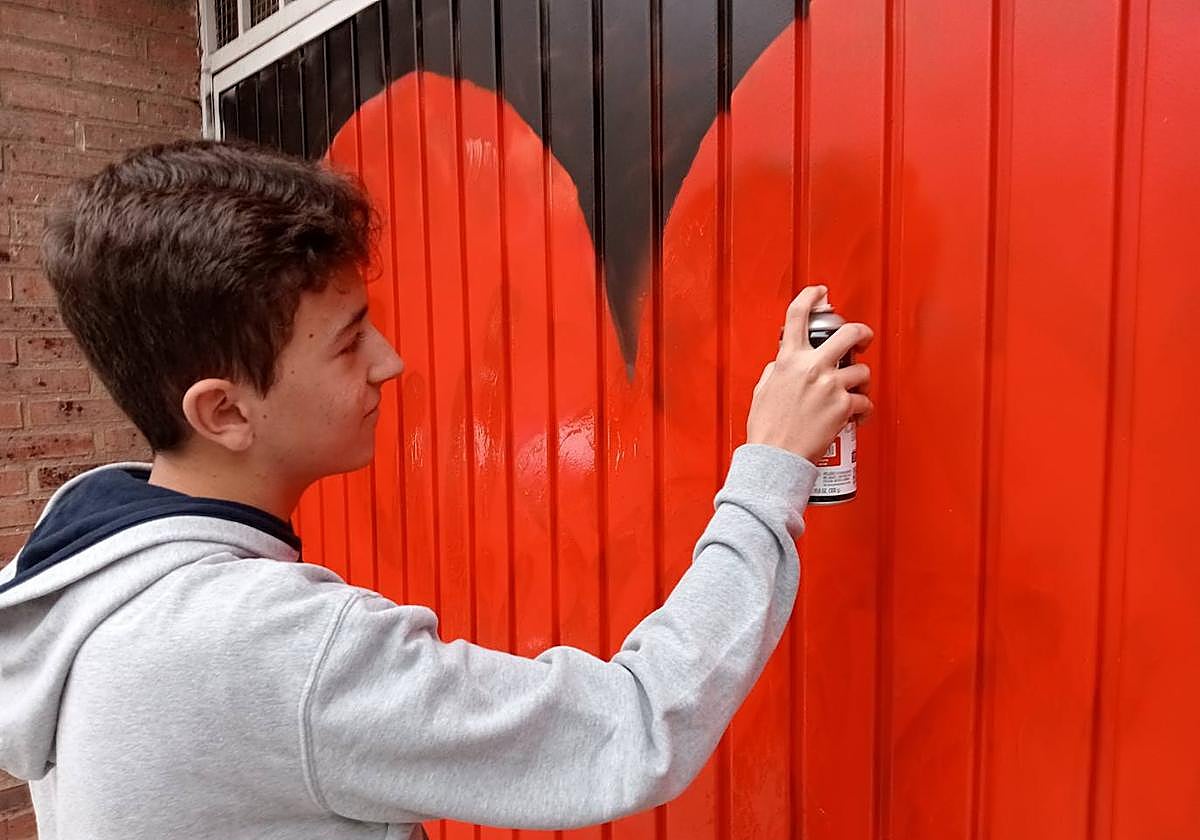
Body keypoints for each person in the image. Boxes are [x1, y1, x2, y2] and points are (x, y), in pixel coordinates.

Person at [0, 140, 873, 839]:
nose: (390, 361)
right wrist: (772, 467)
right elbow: (634, 725)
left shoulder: (80, 577)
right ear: (224, 410)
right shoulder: (267, 647)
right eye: (348, 343)